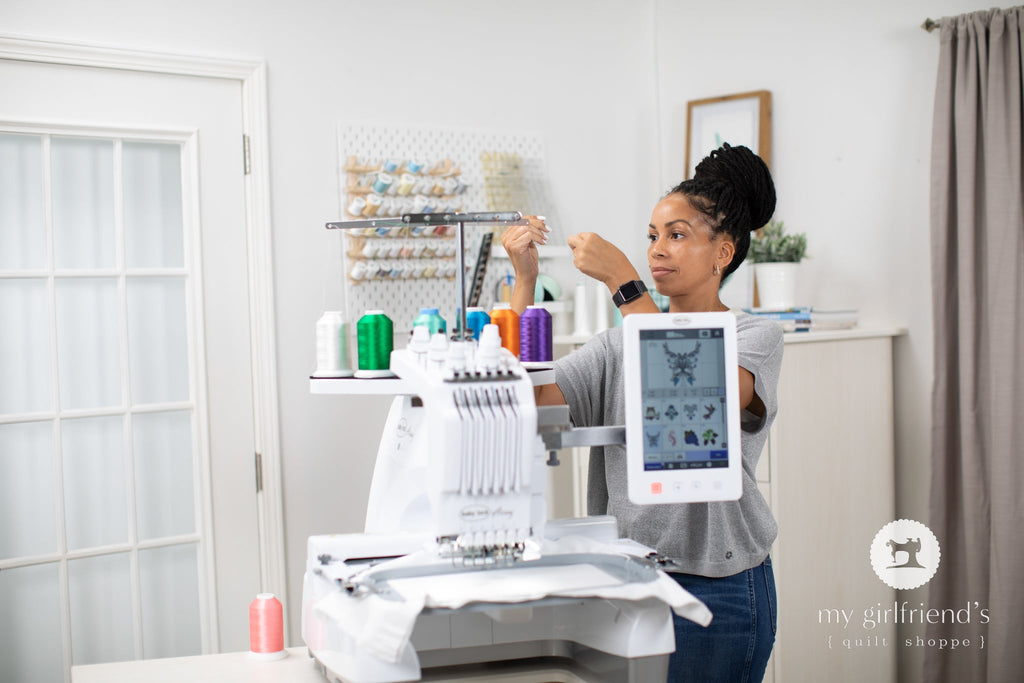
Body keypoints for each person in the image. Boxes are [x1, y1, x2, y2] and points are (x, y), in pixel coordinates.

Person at [501, 143, 784, 683]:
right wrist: (523, 281)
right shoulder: (615, 346)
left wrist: (622, 282)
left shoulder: (753, 337)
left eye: (677, 235)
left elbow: (698, 386)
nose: (658, 249)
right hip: (629, 579)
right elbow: (525, 398)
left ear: (723, 252)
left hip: (720, 589)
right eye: (653, 236)